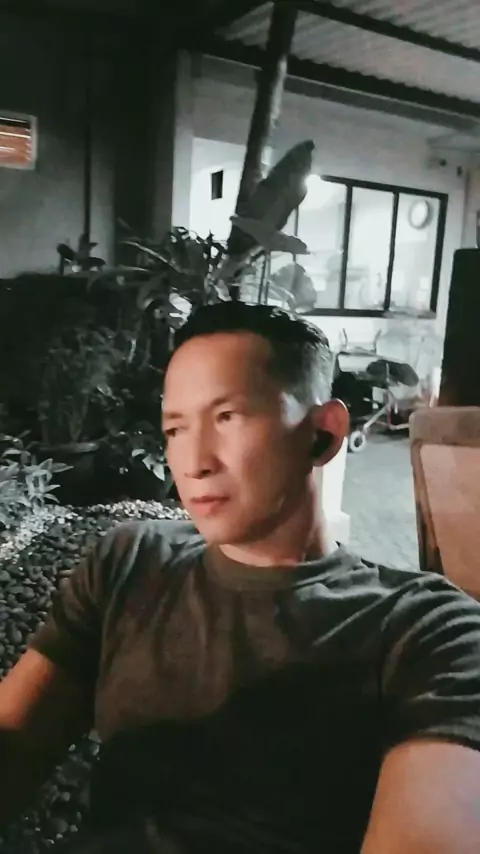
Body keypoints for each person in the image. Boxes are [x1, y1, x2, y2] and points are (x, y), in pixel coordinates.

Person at [1, 301, 480, 854]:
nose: (194, 462)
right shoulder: (131, 560)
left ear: (323, 433)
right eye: (175, 428)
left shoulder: (429, 630)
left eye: (228, 417)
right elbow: (17, 741)